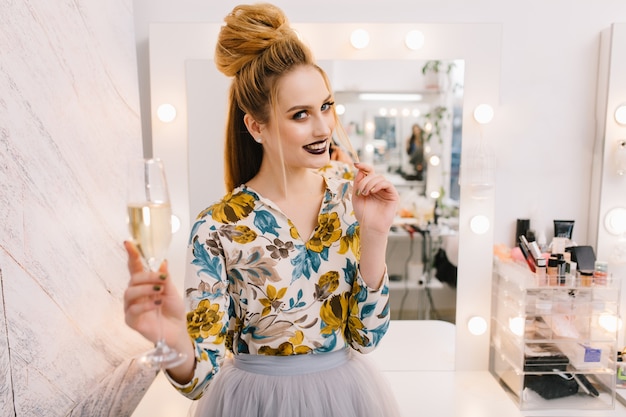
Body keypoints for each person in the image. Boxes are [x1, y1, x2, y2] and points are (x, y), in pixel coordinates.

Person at [123, 3, 401, 417]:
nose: (323, 128)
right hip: (254, 404)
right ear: (257, 126)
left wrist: (375, 233)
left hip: (346, 399)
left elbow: (366, 336)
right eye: (300, 115)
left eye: (326, 106)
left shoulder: (352, 196)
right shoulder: (218, 226)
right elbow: (200, 380)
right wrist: (173, 339)